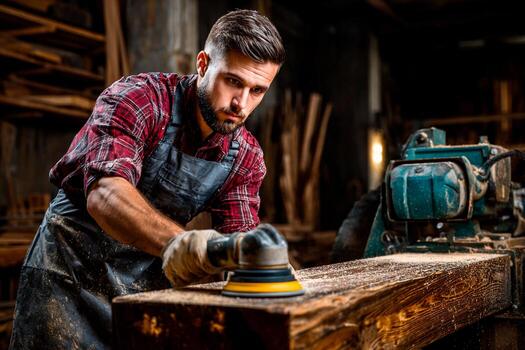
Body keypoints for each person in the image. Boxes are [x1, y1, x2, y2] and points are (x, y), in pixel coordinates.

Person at [10, 9, 284, 349]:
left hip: (142, 294)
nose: (241, 104)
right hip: (67, 279)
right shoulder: (140, 99)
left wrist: (252, 263)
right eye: (233, 81)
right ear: (202, 64)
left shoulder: (246, 156)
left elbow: (238, 245)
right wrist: (185, 245)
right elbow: (105, 193)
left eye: (257, 90)